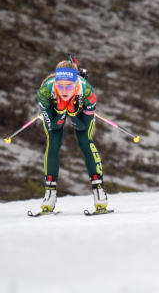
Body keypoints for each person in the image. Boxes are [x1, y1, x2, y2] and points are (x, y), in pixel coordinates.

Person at [37, 61, 108, 213]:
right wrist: (62, 111)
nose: (64, 90)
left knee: (85, 141)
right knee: (53, 142)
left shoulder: (87, 92)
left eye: (68, 86)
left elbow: (82, 127)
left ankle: (99, 194)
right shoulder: (45, 92)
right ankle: (49, 196)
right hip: (55, 109)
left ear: (76, 84)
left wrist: (74, 114)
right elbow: (54, 126)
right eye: (59, 85)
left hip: (81, 109)